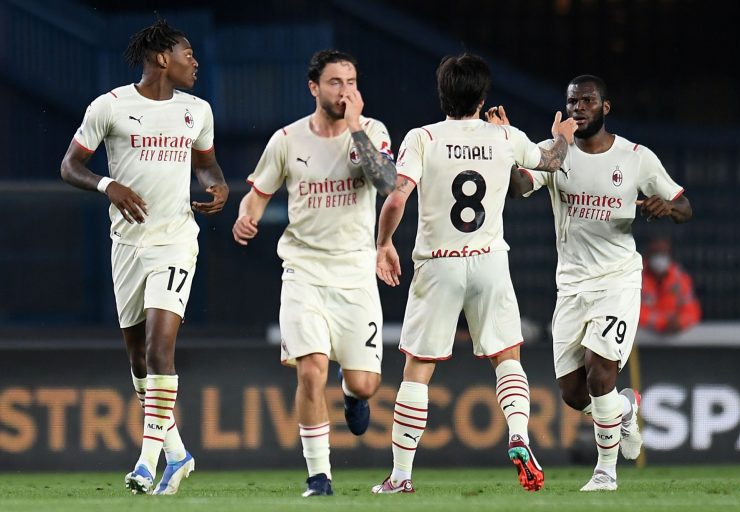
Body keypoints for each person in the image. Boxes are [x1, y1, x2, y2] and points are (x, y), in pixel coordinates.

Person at [372, 53, 577, 494]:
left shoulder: (423, 137)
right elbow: (549, 162)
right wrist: (562, 137)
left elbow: (397, 197)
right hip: (489, 260)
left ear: (441, 93)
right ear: (482, 98)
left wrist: (384, 244)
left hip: (438, 262)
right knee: (507, 357)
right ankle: (518, 434)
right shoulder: (505, 136)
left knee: (418, 368)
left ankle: (401, 476)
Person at [488, 74, 693, 491]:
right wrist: (504, 146)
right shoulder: (555, 153)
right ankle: (624, 409)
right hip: (571, 287)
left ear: (605, 108)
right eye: (572, 102)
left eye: (587, 101)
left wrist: (665, 208)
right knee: (574, 393)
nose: (578, 108)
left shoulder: (636, 158)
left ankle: (605, 472)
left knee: (600, 375)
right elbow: (518, 187)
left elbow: (684, 206)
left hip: (617, 281)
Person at [60, 18, 229, 496]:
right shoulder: (110, 106)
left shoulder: (197, 110)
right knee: (138, 360)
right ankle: (178, 455)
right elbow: (70, 165)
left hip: (175, 242)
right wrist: (106, 184)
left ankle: (145, 463)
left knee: (159, 350)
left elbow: (207, 164)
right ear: (161, 58)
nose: (194, 62)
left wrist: (217, 185)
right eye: (187, 54)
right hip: (127, 245)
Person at [231, 49, 396, 497]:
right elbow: (257, 195)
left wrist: (356, 127)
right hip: (303, 271)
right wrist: (246, 217)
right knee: (310, 371)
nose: (345, 91)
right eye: (335, 82)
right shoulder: (287, 140)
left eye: (351, 82)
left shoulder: (372, 131)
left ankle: (353, 393)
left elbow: (386, 183)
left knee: (365, 383)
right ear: (314, 87)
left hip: (355, 274)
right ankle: (319, 477)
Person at [639, 238, 701, 334]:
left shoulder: (680, 279)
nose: (659, 258)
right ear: (648, 254)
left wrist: (680, 322)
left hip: (674, 339)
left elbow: (692, 311)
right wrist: (663, 323)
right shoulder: (635, 277)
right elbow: (633, 313)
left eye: (663, 253)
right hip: (642, 337)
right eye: (656, 253)